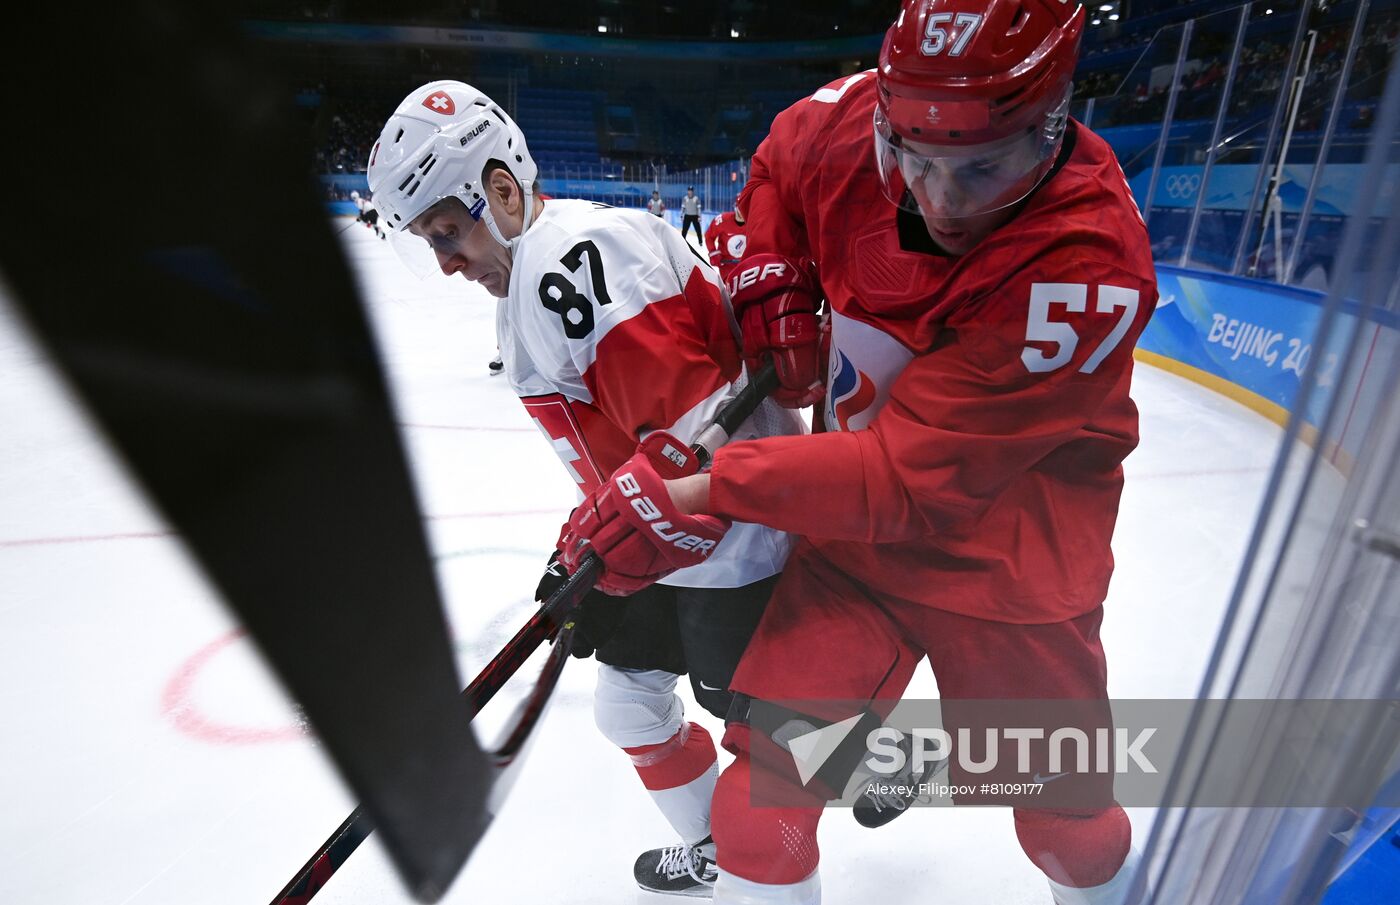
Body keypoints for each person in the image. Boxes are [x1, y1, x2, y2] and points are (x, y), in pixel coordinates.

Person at [556, 1, 1157, 903]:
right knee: (759, 818)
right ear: (885, 111)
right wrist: (774, 265)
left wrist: (707, 489)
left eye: (981, 168)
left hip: (1012, 575)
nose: (936, 200)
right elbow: (778, 169)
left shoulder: (1087, 263)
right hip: (854, 558)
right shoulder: (845, 126)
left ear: (1053, 124)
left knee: (1068, 831)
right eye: (911, 159)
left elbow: (905, 483)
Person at [365, 80, 804, 898]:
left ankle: (876, 756)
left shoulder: (570, 260)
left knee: (779, 763)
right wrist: (582, 545)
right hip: (671, 543)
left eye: (449, 232)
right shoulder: (540, 271)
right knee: (631, 707)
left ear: (501, 189)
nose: (447, 262)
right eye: (429, 242)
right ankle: (725, 842)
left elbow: (695, 455)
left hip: (736, 546)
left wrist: (612, 564)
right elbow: (633, 457)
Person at [703, 199, 750, 283]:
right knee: (731, 288)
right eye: (740, 208)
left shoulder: (754, 222)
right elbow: (709, 236)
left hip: (746, 264)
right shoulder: (722, 220)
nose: (742, 212)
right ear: (736, 207)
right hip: (727, 266)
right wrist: (713, 252)